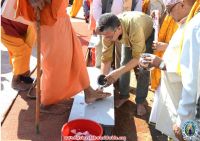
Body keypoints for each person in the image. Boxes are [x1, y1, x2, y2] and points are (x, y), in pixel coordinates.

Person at [15, 0, 111, 106]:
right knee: (55, 62)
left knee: (76, 53)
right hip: (47, 16)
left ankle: (88, 91)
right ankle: (47, 100)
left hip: (60, 13)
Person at [139, 0, 200, 140]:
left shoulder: (195, 25)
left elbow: (192, 78)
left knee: (188, 136)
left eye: (169, 9)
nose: (168, 15)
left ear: (182, 4)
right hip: (182, 101)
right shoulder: (188, 22)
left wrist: (183, 120)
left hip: (189, 109)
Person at [95, 12, 154, 115]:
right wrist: (102, 83)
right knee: (124, 62)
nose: (107, 39)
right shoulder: (108, 32)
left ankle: (140, 101)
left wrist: (117, 73)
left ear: (118, 29)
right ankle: (124, 95)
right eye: (105, 36)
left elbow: (138, 58)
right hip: (129, 35)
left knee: (143, 67)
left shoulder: (135, 26)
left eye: (109, 36)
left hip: (145, 35)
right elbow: (106, 58)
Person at [1, 17, 36, 91]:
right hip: (5, 27)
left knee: (26, 49)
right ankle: (15, 81)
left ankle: (23, 75)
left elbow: (29, 44)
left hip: (18, 28)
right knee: (21, 51)